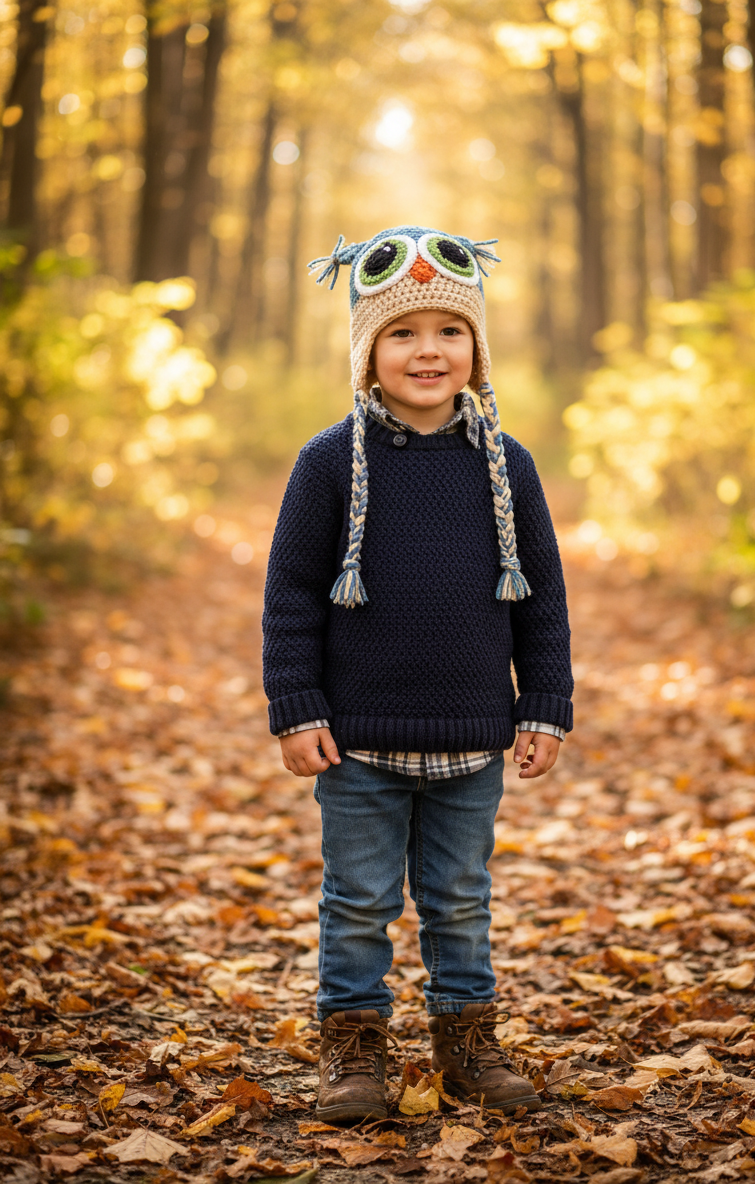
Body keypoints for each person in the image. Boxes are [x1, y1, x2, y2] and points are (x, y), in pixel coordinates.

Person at [262, 225, 573, 1124]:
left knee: (459, 899)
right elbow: (290, 593)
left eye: (449, 331)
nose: (427, 350)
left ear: (476, 350)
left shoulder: (505, 466)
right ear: (367, 353)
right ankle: (354, 1046)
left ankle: (465, 1037)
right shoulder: (327, 463)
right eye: (402, 333)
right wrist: (295, 704)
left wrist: (544, 703)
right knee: (357, 901)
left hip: (472, 736)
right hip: (356, 740)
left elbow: (541, 596)